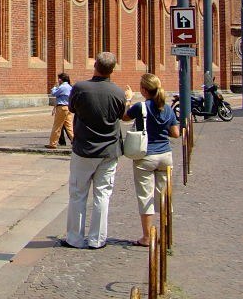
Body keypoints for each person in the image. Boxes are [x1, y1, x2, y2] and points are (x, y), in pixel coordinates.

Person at [63, 51, 130, 250]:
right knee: (103, 195)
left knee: (77, 194)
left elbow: (72, 109)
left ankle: (74, 238)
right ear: (113, 70)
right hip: (109, 151)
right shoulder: (118, 92)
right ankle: (97, 240)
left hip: (84, 149)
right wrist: (127, 99)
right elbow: (122, 115)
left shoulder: (80, 88)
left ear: (95, 66)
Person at [122, 73, 180, 246]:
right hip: (165, 156)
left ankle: (147, 237)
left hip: (145, 157)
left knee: (146, 197)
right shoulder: (167, 108)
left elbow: (124, 117)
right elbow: (175, 134)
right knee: (164, 197)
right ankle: (167, 235)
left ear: (143, 90)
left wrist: (128, 100)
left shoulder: (140, 107)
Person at [47, 72, 74, 149]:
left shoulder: (62, 87)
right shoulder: (70, 87)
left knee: (57, 126)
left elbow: (54, 93)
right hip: (68, 107)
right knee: (69, 127)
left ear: (60, 79)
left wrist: (54, 87)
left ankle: (53, 143)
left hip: (61, 108)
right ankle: (75, 142)